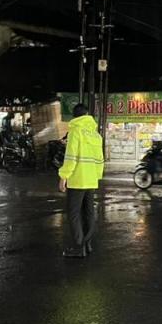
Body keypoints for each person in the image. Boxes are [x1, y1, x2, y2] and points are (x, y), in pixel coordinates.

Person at [58, 103, 104, 258]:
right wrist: (96, 176)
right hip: (91, 179)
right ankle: (87, 244)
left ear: (75, 116)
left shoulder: (75, 132)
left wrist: (63, 176)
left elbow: (71, 158)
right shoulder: (96, 135)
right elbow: (100, 160)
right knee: (89, 212)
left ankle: (79, 247)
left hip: (77, 179)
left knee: (74, 213)